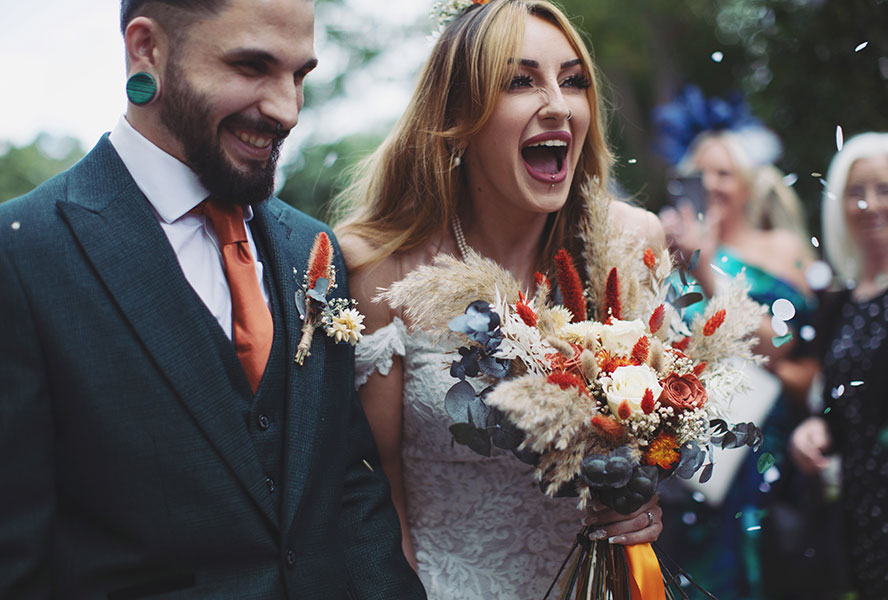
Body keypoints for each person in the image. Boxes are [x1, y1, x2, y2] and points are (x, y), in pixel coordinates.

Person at [0, 0, 425, 597]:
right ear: (146, 49)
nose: (287, 109)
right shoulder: (21, 255)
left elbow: (349, 495)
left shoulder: (312, 248)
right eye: (252, 66)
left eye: (299, 75)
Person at [334, 1, 664, 597]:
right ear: (458, 117)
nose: (558, 106)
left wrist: (641, 504)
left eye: (572, 81)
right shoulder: (383, 270)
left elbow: (658, 441)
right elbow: (376, 494)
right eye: (520, 82)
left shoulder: (628, 244)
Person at [657, 124, 818, 597]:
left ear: (749, 183)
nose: (710, 185)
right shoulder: (668, 256)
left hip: (765, 455)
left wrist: (704, 268)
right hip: (693, 452)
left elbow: (781, 342)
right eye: (698, 174)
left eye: (723, 173)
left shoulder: (782, 250)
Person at [789, 131, 888, 599]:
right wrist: (813, 429)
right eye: (856, 192)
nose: (869, 205)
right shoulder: (839, 303)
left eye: (885, 189)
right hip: (859, 510)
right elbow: (840, 401)